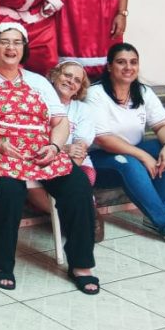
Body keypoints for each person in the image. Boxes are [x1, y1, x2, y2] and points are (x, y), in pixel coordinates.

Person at [0, 23, 99, 294]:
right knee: (11, 189)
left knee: (78, 186)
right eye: (4, 42)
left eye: (17, 43)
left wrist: (55, 147)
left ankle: (81, 264)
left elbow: (61, 121)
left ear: (24, 48)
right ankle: (2, 263)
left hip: (38, 150)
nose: (11, 48)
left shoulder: (37, 81)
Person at [87, 43, 165, 251]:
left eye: (133, 62)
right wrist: (142, 155)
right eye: (121, 62)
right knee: (129, 161)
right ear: (110, 67)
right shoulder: (95, 94)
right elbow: (103, 139)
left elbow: (164, 125)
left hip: (131, 153)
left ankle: (154, 215)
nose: (128, 67)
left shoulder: (142, 92)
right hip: (98, 160)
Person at [29, 61, 104, 242]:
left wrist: (65, 157)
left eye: (77, 81)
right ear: (54, 76)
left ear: (79, 89)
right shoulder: (36, 102)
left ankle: (78, 214)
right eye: (67, 75)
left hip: (75, 164)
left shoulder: (83, 110)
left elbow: (79, 150)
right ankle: (72, 214)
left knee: (78, 178)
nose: (71, 82)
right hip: (37, 160)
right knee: (27, 183)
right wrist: (63, 149)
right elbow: (30, 142)